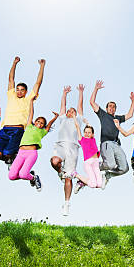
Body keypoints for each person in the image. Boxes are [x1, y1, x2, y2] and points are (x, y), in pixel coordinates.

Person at [0, 57, 45, 165]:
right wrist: (14, 63)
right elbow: (11, 79)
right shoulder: (11, 96)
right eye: (18, 89)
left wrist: (42, 66)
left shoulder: (29, 99)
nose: (19, 92)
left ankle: (12, 157)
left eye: (22, 90)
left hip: (18, 129)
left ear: (26, 92)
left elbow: (38, 83)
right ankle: (12, 159)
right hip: (5, 128)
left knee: (7, 153)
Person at [89, 80, 134, 188]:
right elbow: (92, 102)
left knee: (125, 169)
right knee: (110, 164)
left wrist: (133, 101)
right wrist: (96, 88)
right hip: (106, 143)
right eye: (110, 106)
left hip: (116, 145)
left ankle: (108, 175)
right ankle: (93, 165)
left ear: (115, 109)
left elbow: (130, 115)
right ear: (106, 108)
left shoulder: (117, 118)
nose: (111, 108)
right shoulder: (103, 114)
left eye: (113, 106)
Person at [8, 96, 58, 191]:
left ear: (44, 126)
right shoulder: (29, 126)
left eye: (42, 123)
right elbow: (31, 113)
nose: (39, 123)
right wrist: (31, 101)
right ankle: (31, 175)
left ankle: (34, 178)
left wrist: (55, 117)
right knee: (11, 176)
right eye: (38, 121)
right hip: (21, 153)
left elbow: (49, 125)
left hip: (31, 154)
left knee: (23, 174)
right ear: (34, 122)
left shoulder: (42, 132)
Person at [50, 85, 84, 214]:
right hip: (61, 145)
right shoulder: (63, 118)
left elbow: (80, 106)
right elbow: (62, 107)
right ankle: (60, 172)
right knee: (54, 161)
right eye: (69, 111)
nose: (70, 112)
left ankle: (66, 204)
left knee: (69, 178)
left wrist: (80, 93)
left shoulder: (79, 120)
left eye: (73, 111)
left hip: (73, 148)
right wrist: (64, 94)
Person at [71, 119, 102, 194]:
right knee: (93, 184)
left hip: (96, 163)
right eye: (85, 132)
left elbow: (90, 127)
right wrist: (74, 117)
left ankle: (83, 182)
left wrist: (87, 123)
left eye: (89, 133)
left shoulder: (93, 139)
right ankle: (76, 175)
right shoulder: (82, 140)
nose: (87, 134)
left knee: (100, 185)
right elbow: (77, 127)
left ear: (92, 134)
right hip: (88, 163)